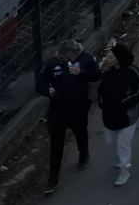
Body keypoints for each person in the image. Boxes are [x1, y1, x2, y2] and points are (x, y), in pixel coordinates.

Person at [41, 38, 101, 194]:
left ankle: (84, 154)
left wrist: (81, 73)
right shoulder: (53, 63)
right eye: (67, 55)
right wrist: (48, 91)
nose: (71, 58)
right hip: (58, 109)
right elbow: (41, 83)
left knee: (80, 131)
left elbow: (96, 74)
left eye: (73, 55)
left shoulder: (86, 58)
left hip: (78, 106)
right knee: (56, 142)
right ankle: (53, 178)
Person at [97, 41, 139, 186]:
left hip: (128, 115)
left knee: (123, 143)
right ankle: (122, 159)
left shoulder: (132, 71)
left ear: (119, 58)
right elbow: (100, 92)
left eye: (111, 56)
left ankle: (125, 170)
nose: (108, 58)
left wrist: (123, 103)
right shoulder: (107, 74)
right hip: (110, 116)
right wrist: (103, 104)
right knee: (110, 141)